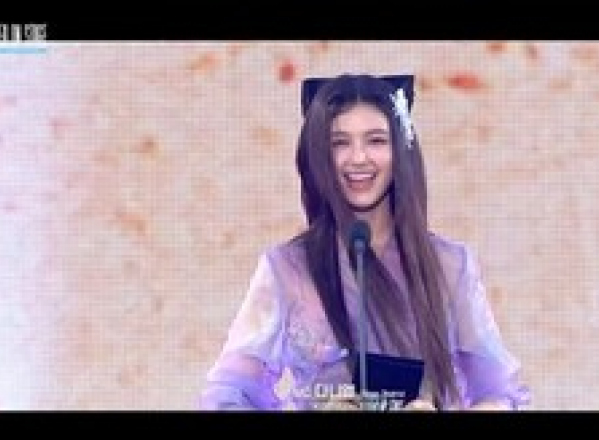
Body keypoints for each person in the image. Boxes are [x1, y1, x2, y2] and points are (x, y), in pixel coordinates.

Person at [200, 73, 529, 411]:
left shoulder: (449, 265)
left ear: (401, 150)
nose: (358, 158)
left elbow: (499, 392)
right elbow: (228, 394)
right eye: (339, 143)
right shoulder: (288, 268)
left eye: (376, 140)